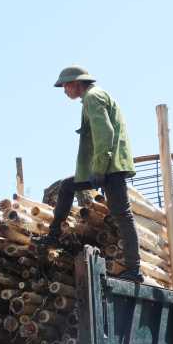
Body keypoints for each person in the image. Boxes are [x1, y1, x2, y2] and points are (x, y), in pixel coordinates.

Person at [40, 66, 142, 282]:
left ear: (77, 83)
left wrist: (99, 169)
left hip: (110, 166)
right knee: (68, 186)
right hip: (109, 164)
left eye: (66, 86)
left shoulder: (92, 98)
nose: (65, 91)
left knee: (122, 214)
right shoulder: (94, 96)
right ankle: (53, 236)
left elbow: (105, 133)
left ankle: (134, 270)